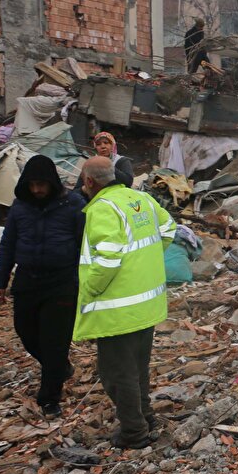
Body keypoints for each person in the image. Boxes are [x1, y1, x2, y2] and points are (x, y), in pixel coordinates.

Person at [75, 156, 176, 449]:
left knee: (117, 375)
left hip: (117, 309)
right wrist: (145, 264)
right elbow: (168, 229)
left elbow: (108, 258)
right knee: (138, 368)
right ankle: (145, 417)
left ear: (90, 181)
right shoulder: (140, 198)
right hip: (147, 302)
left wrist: (90, 290)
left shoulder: (103, 208)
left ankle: (134, 432)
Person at [0, 156, 86, 417]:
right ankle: (60, 369)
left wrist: (83, 281)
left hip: (62, 281)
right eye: (32, 184)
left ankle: (49, 399)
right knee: (25, 331)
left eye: (42, 184)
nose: (37, 190)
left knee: (55, 341)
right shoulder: (20, 207)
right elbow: (8, 245)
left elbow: (84, 245)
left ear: (52, 183)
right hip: (27, 280)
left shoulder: (73, 204)